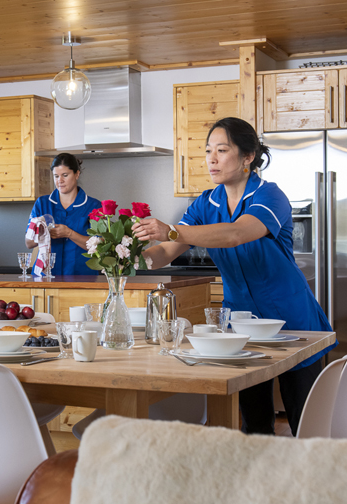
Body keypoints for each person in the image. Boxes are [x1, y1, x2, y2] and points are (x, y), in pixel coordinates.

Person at [132, 117, 336, 436]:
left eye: (222, 150)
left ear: (247, 156)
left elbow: (236, 234)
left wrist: (170, 229)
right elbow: (164, 253)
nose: (211, 158)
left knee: (307, 426)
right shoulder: (205, 203)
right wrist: (125, 254)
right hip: (240, 327)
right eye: (208, 150)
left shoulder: (270, 195)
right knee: (253, 425)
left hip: (293, 323)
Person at [26, 153, 102, 275]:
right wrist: (42, 233)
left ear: (77, 174)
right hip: (45, 277)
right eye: (56, 176)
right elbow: (28, 243)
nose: (59, 180)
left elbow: (101, 247)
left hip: (82, 277)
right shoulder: (42, 203)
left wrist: (69, 233)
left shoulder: (94, 206)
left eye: (65, 175)